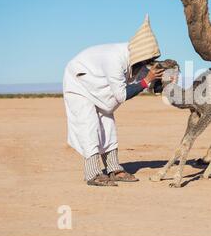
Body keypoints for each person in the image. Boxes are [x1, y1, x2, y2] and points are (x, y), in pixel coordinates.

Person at [63, 15, 164, 186]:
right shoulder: (115, 59)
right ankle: (93, 173)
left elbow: (150, 86)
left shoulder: (134, 61)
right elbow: (122, 95)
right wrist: (147, 80)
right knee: (88, 124)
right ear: (141, 56)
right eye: (147, 61)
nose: (148, 64)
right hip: (78, 82)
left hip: (97, 86)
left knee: (108, 123)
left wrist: (161, 82)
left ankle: (113, 168)